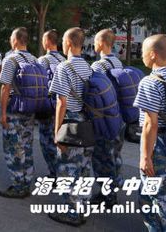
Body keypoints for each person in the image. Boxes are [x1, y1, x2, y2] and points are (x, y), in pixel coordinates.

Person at [48, 27, 93, 227]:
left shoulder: (64, 67)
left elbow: (61, 102)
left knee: (67, 169)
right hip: (87, 123)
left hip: (70, 123)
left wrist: (57, 132)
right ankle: (82, 207)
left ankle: (72, 213)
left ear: (67, 43)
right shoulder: (88, 66)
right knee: (83, 167)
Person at [134, 34, 166, 231]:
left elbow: (150, 123)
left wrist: (145, 157)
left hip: (160, 147)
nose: (141, 55)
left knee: (158, 198)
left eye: (142, 52)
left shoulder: (150, 81)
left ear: (152, 55)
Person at [0, 27, 37, 199]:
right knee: (27, 146)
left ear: (15, 40)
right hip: (30, 111)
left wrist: (3, 113)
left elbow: (5, 88)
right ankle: (27, 181)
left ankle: (18, 185)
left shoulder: (10, 59)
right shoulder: (35, 60)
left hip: (14, 111)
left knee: (13, 148)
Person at [90, 29, 125, 206]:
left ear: (102, 43)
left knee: (102, 158)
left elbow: (94, 93)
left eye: (95, 41)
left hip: (104, 119)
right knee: (115, 155)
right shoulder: (117, 62)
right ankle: (114, 187)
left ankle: (107, 196)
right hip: (119, 117)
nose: (94, 45)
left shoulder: (98, 66)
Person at [36, 30, 66, 178]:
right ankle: (61, 171)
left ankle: (55, 173)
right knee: (60, 140)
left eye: (43, 39)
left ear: (47, 41)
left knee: (47, 142)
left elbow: (39, 84)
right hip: (63, 106)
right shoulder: (64, 60)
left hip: (48, 107)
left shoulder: (43, 60)